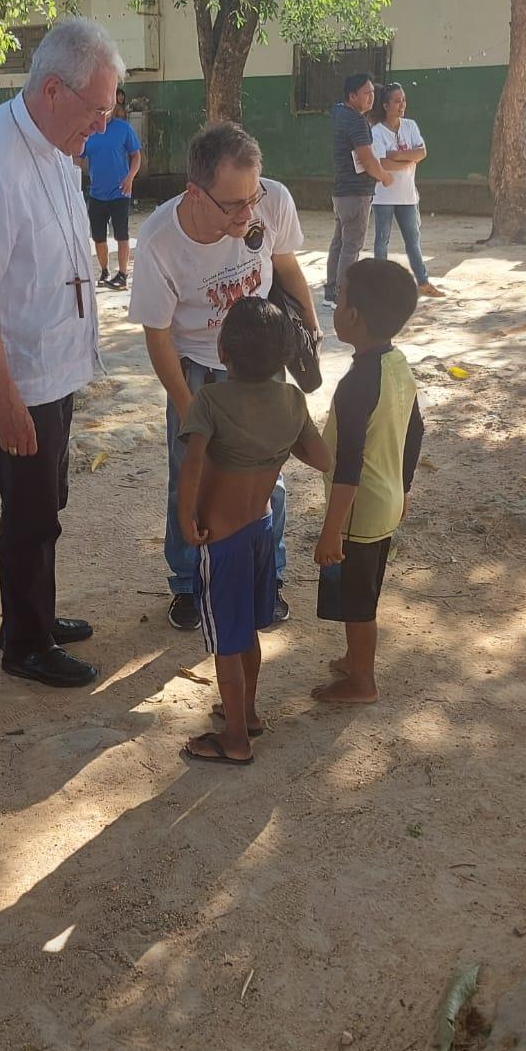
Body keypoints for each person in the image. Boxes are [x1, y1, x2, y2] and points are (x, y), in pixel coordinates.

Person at [0, 18, 124, 688]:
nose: (101, 128)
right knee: (29, 512)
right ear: (54, 89)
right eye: (97, 112)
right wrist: (9, 398)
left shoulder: (50, 142)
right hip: (18, 374)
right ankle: (25, 641)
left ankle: (36, 614)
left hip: (53, 367)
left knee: (47, 500)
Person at [129, 121, 320, 631]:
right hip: (194, 364)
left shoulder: (271, 201)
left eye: (253, 197)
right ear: (195, 192)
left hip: (260, 363)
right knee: (187, 478)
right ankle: (190, 584)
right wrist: (191, 410)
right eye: (233, 204)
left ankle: (267, 575)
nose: (249, 213)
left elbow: (287, 265)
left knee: (269, 475)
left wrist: (311, 332)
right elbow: (158, 336)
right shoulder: (160, 242)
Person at [177, 298, 331, 764]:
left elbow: (193, 461)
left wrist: (186, 516)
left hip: (220, 539)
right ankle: (248, 711)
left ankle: (237, 739)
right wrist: (276, 447)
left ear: (223, 350)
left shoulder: (211, 399)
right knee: (248, 631)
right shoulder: (291, 400)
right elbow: (322, 458)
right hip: (263, 528)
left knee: (227, 639)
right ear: (283, 355)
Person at [313, 257, 424, 705]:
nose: (336, 307)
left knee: (358, 600)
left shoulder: (357, 383)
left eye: (339, 299)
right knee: (363, 589)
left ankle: (362, 681)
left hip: (358, 512)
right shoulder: (397, 365)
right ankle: (353, 659)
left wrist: (331, 529)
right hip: (386, 499)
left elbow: (349, 464)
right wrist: (406, 488)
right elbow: (415, 430)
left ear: (353, 316)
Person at [324, 73, 393, 308]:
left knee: (340, 242)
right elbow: (367, 158)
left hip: (342, 191)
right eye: (366, 93)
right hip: (355, 193)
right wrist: (383, 176)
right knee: (351, 245)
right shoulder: (356, 121)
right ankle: (343, 296)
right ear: (352, 96)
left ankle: (331, 292)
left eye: (373, 92)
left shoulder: (339, 113)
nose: (371, 97)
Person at [371, 83, 442, 297]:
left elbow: (422, 152)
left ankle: (423, 281)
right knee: (382, 240)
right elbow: (383, 163)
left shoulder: (410, 126)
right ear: (385, 105)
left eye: (403, 100)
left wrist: (397, 156)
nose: (402, 105)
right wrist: (407, 159)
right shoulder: (376, 131)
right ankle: (380, 284)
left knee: (413, 239)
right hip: (383, 196)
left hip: (408, 196)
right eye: (397, 101)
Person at [81, 86, 141, 290]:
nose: (103, 112)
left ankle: (123, 274)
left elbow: (136, 155)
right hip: (97, 192)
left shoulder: (124, 129)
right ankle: (105, 270)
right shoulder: (89, 131)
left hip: (120, 192)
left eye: (107, 107)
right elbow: (77, 158)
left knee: (122, 234)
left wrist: (130, 177)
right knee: (98, 236)